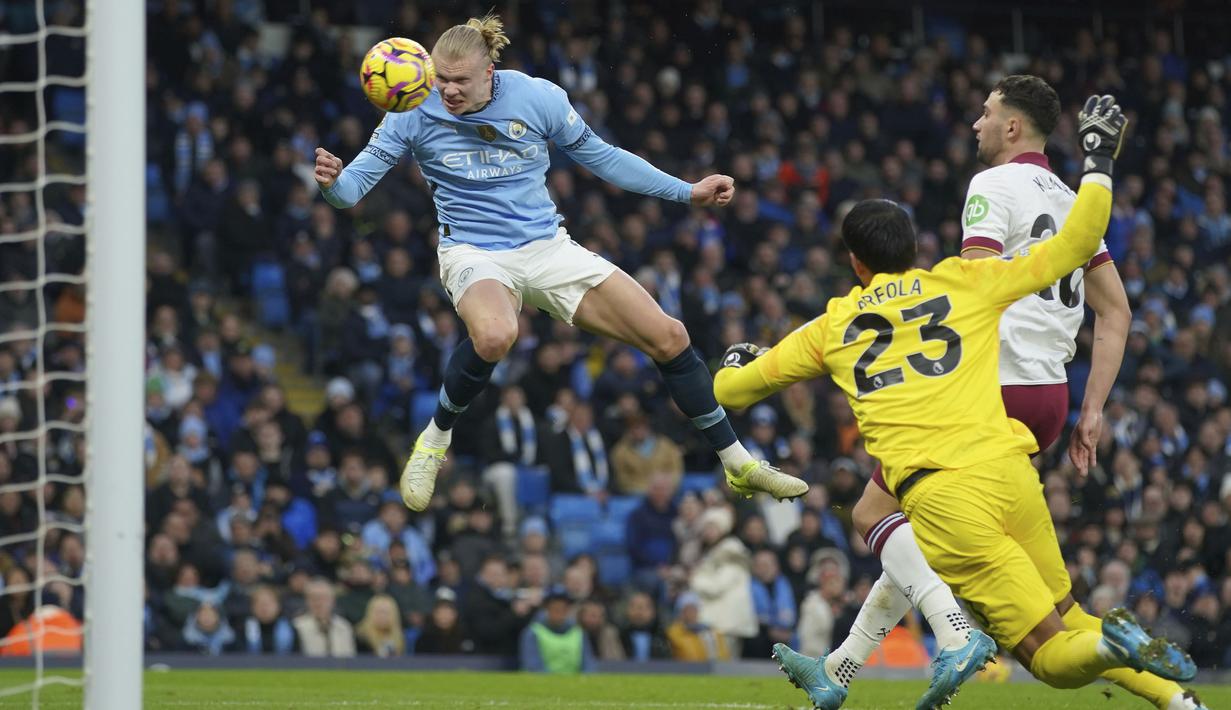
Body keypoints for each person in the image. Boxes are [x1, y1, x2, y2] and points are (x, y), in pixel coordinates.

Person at [714, 96, 1197, 709]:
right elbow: (1087, 259)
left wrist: (735, 362)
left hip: (970, 435)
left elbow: (731, 391)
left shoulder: (836, 323)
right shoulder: (969, 278)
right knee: (1058, 608)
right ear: (914, 248)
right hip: (1024, 430)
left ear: (855, 262)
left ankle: (956, 633)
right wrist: (1099, 163)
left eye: (987, 112)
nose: (976, 122)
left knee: (1031, 642)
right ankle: (1178, 700)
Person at [313, 13, 806, 513]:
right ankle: (434, 441)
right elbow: (352, 190)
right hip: (473, 250)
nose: (448, 90)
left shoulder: (537, 98)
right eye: (441, 78)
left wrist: (686, 191)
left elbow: (604, 157)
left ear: (489, 73)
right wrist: (333, 183)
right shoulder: (412, 110)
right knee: (496, 335)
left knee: (670, 336)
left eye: (460, 80)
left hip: (546, 246)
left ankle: (738, 462)